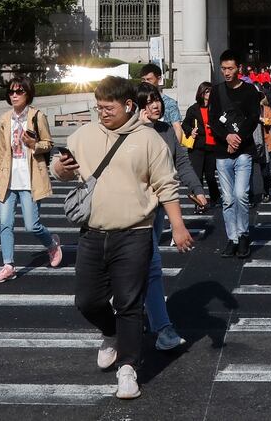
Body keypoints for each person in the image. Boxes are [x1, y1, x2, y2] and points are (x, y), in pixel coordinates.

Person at [52, 76, 195, 400]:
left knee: (130, 303)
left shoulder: (148, 140)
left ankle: (128, 369)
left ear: (128, 106)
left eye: (108, 107)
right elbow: (60, 170)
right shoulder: (86, 134)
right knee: (86, 300)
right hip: (92, 233)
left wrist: (178, 225)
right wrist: (61, 167)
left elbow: (166, 186)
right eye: (98, 107)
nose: (102, 113)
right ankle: (110, 331)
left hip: (136, 233)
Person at [136, 83, 210, 352]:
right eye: (147, 102)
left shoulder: (167, 132)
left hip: (156, 211)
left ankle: (161, 327)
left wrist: (197, 189)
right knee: (139, 270)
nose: (155, 106)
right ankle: (128, 320)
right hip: (129, 214)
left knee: (151, 268)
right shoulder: (128, 132)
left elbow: (182, 164)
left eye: (156, 100)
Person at [0, 78, 63, 283]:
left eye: (19, 92)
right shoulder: (5, 119)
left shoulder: (37, 117)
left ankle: (52, 245)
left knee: (32, 225)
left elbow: (48, 143)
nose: (14, 95)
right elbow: (1, 150)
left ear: (28, 94)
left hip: (30, 179)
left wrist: (34, 144)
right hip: (8, 178)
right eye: (11, 92)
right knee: (5, 223)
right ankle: (8, 265)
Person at [212, 50, 264, 257]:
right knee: (227, 199)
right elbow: (213, 120)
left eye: (230, 68)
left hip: (244, 150)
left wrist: (237, 138)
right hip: (222, 151)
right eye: (223, 68)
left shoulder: (250, 90)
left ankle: (243, 235)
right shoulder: (216, 91)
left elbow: (253, 118)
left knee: (240, 194)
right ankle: (232, 238)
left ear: (238, 69)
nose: (226, 72)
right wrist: (227, 137)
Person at [179, 81, 223, 206]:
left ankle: (216, 198)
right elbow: (185, 124)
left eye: (211, 91)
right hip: (197, 147)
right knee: (197, 176)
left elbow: (223, 122)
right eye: (207, 91)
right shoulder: (193, 109)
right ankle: (199, 202)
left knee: (210, 176)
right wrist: (190, 131)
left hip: (212, 146)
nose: (209, 94)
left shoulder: (216, 108)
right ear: (202, 93)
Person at [140, 64, 182, 136]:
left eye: (149, 79)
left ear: (159, 79)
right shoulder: (137, 99)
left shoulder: (169, 103)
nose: (146, 83)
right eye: (143, 80)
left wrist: (174, 147)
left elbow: (177, 128)